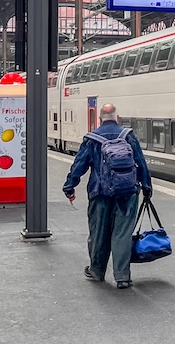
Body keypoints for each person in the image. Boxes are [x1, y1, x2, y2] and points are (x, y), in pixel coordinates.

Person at [63, 104, 152, 290]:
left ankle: (96, 270)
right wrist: (146, 186)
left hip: (100, 192)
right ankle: (122, 277)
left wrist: (70, 186)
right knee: (122, 234)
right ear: (117, 117)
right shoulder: (127, 135)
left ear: (100, 118)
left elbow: (79, 164)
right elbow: (141, 162)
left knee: (98, 232)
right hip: (127, 193)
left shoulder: (91, 138)